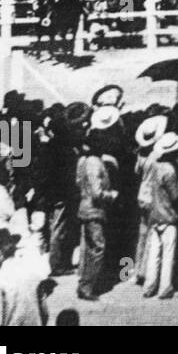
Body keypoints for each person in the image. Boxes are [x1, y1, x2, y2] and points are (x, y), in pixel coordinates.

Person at [75, 127, 119, 301]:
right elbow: (97, 192)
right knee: (98, 248)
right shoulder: (95, 163)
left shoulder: (83, 161)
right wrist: (111, 195)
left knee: (88, 248)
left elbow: (78, 182)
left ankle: (84, 282)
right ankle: (87, 286)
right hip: (94, 210)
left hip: (84, 207)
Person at [141, 132, 178, 300]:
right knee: (168, 253)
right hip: (168, 215)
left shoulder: (155, 166)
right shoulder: (171, 170)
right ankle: (165, 287)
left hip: (155, 214)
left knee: (154, 253)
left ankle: (149, 285)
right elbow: (176, 196)